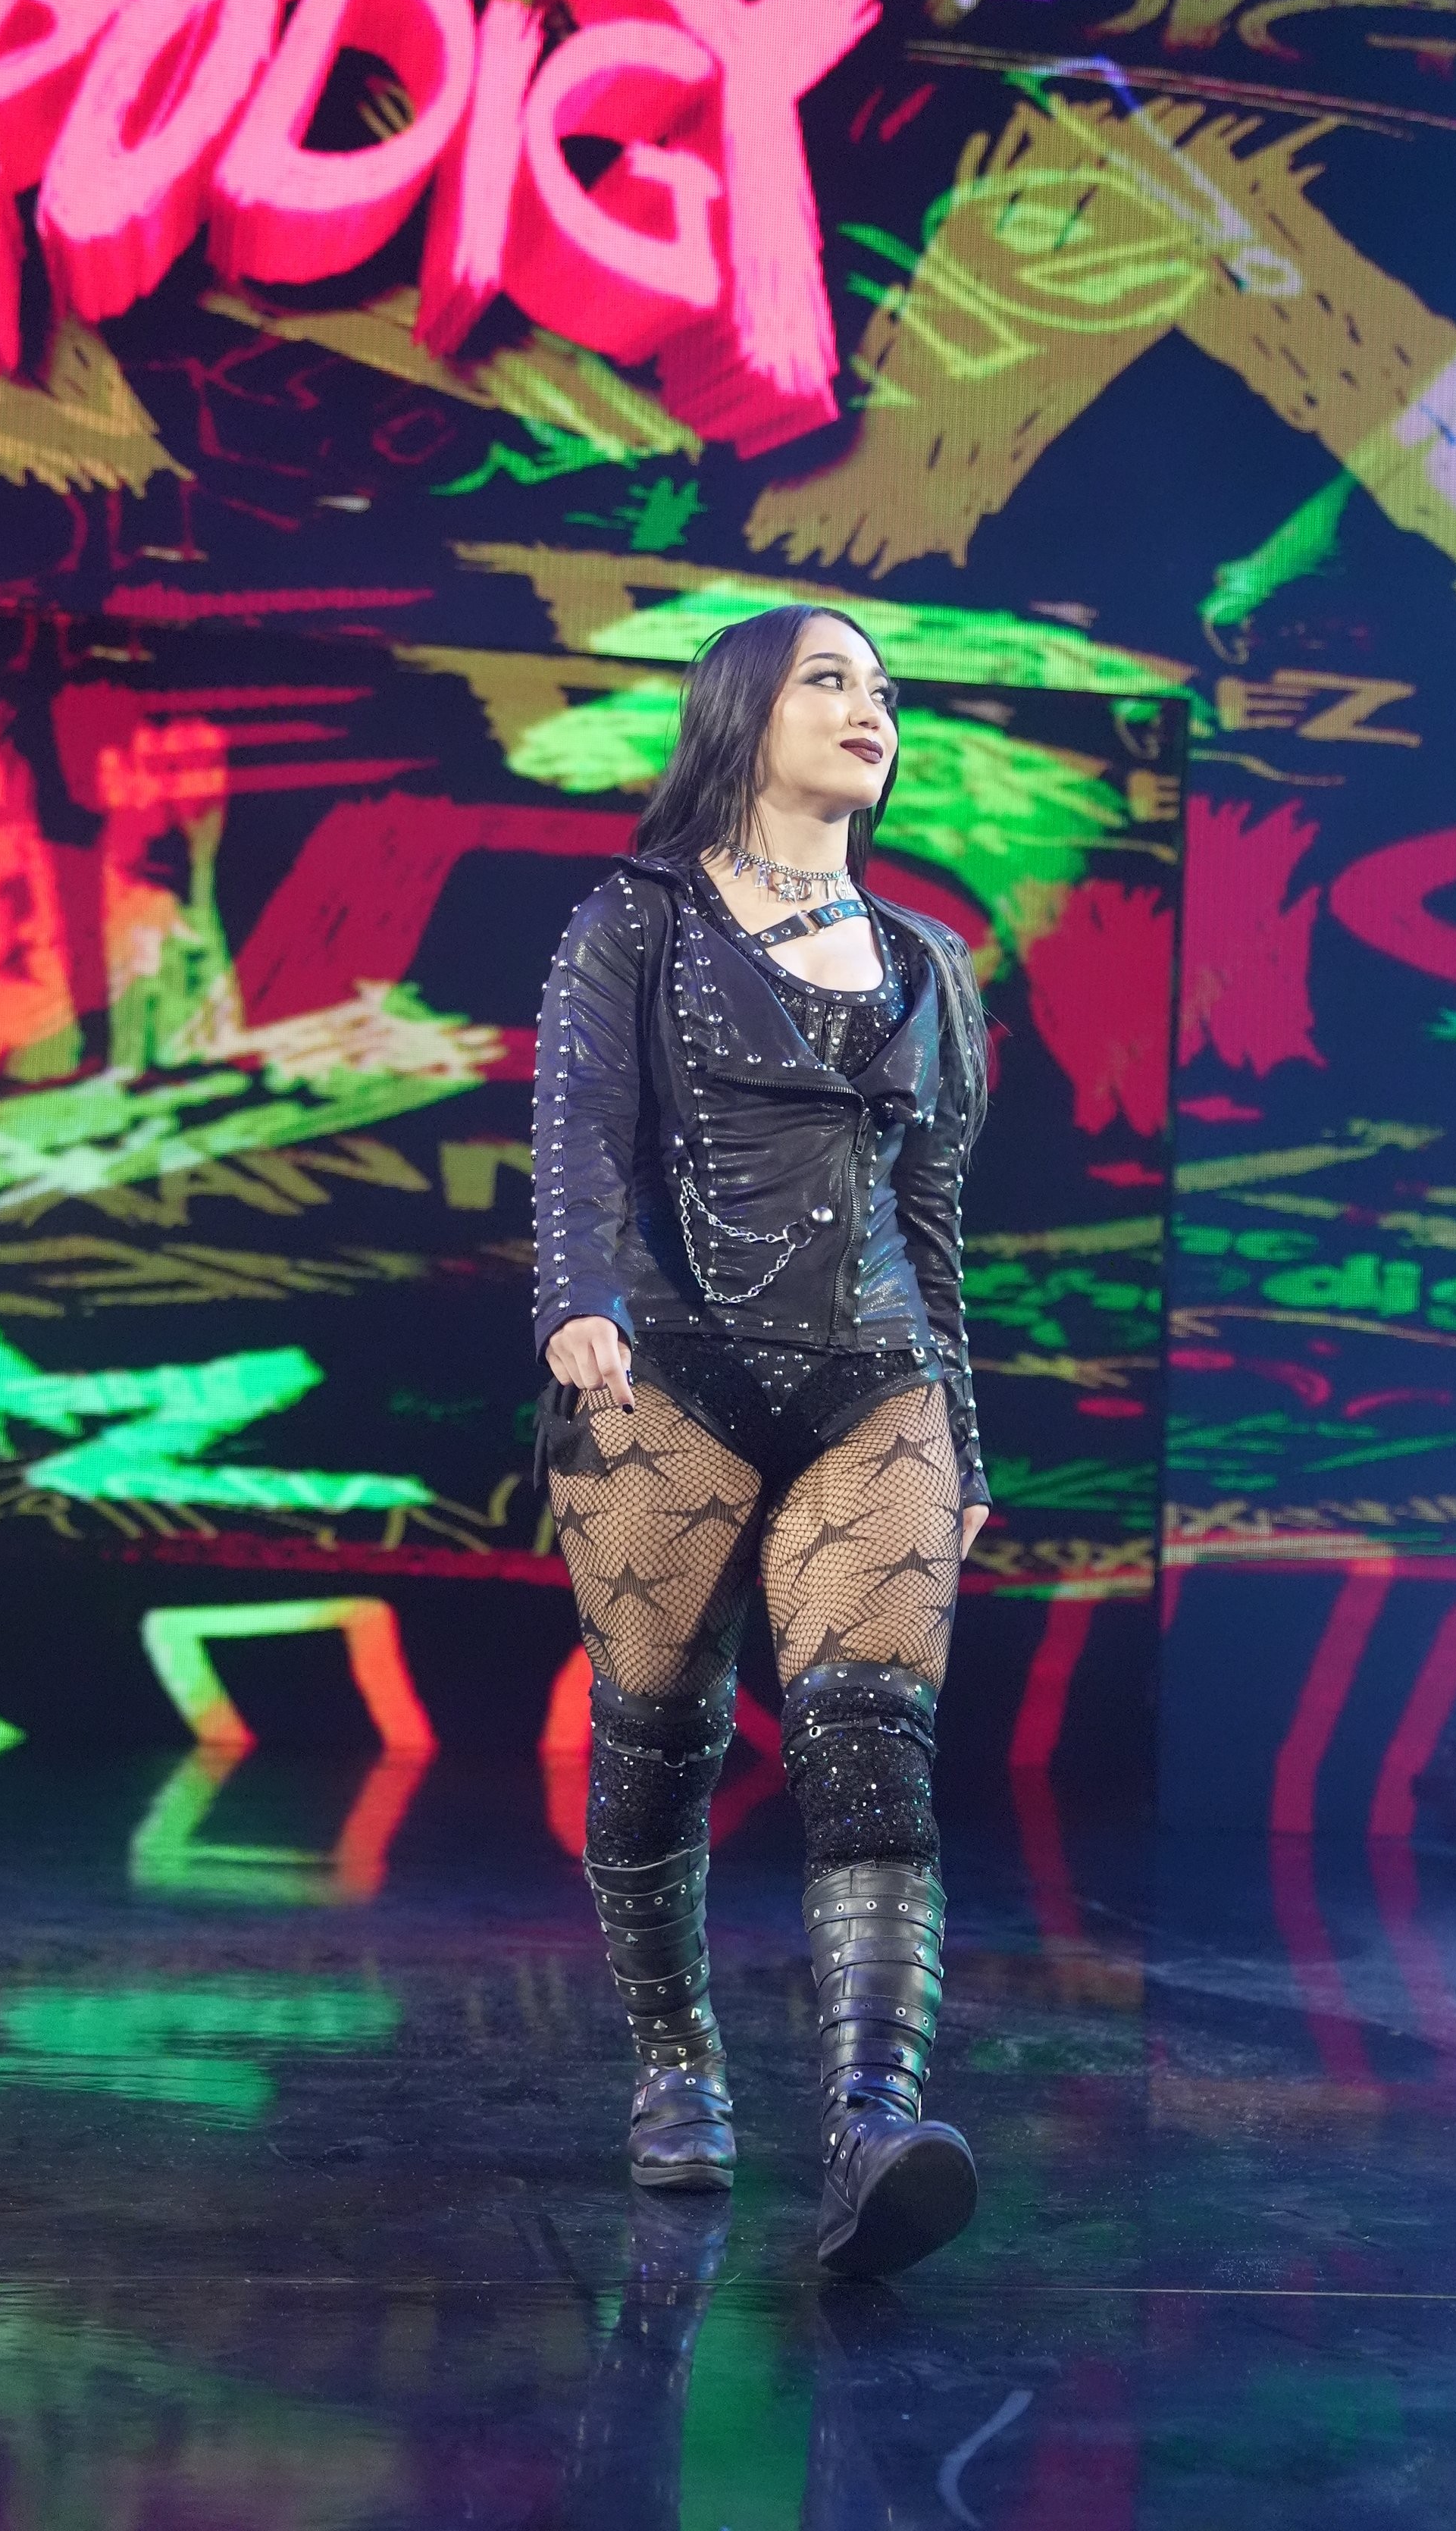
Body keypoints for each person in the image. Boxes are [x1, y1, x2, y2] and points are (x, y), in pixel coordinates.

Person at [531, 603, 992, 2280]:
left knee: (870, 1747)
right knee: (659, 1735)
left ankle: (874, 2122)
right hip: (666, 1378)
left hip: (877, 1384)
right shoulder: (635, 919)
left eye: (886, 690)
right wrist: (576, 1302)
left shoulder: (928, 963)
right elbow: (578, 1134)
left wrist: (965, 1436)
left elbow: (931, 1223)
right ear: (742, 711)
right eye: (830, 680)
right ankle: (675, 2064)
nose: (872, 709)